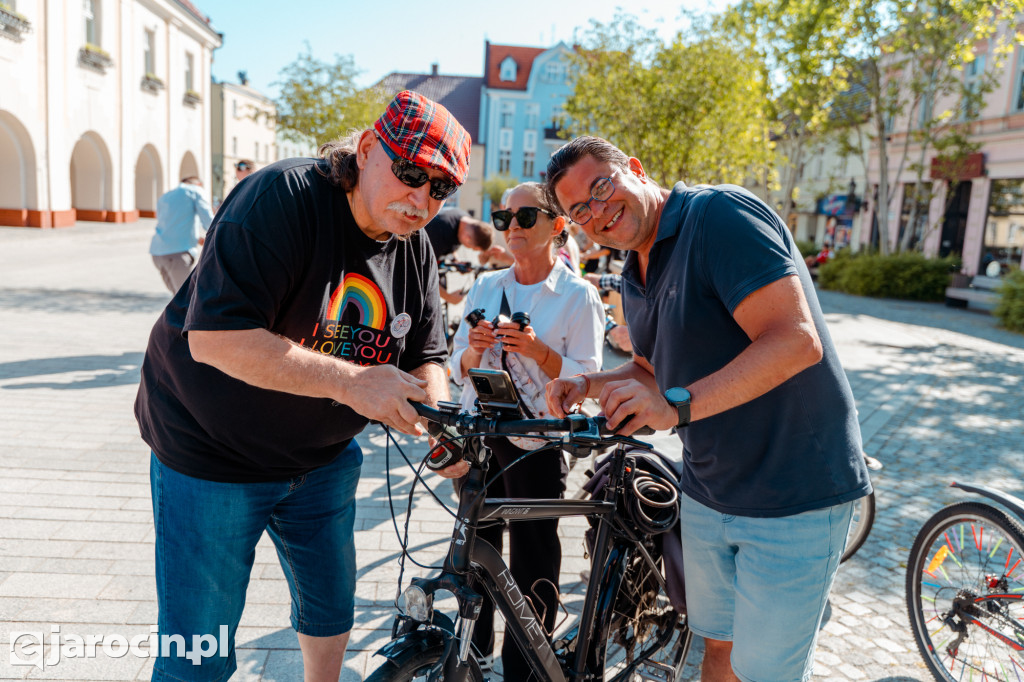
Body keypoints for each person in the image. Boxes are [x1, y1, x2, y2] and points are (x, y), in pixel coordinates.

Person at [134, 90, 472, 682]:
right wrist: (352, 383)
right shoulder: (281, 197)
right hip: (210, 456)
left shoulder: (414, 245)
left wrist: (440, 423)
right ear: (368, 149)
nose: (421, 200)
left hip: (321, 461)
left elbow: (428, 355)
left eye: (440, 188)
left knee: (331, 612)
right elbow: (214, 338)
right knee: (199, 650)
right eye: (411, 173)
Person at [544, 136, 871, 682]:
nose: (596, 211)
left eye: (601, 187)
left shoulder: (718, 215)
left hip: (794, 495)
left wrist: (676, 407)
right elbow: (654, 369)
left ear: (636, 170)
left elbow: (794, 341)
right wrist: (590, 381)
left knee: (762, 672)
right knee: (716, 650)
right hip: (707, 490)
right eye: (580, 209)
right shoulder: (633, 270)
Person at [450, 181, 603, 679]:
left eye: (524, 217)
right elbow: (457, 367)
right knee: (476, 546)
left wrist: (539, 352)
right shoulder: (487, 285)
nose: (511, 227)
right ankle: (471, 653)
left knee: (534, 550)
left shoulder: (578, 296)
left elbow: (589, 379)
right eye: (503, 219)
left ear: (558, 226)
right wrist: (475, 347)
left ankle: (527, 667)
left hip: (537, 439)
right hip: (481, 432)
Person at [148, 176, 214, 293]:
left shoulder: (166, 196)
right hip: (178, 253)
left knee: (178, 298)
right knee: (187, 298)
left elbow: (168, 224)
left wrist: (197, 238)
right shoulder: (196, 191)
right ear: (198, 184)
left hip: (157, 253)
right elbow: (210, 223)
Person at [422, 207, 496, 304]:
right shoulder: (439, 231)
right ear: (468, 238)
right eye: (471, 247)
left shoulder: (465, 220)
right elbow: (423, 273)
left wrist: (456, 261)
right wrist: (448, 297)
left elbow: (452, 244)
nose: (469, 248)